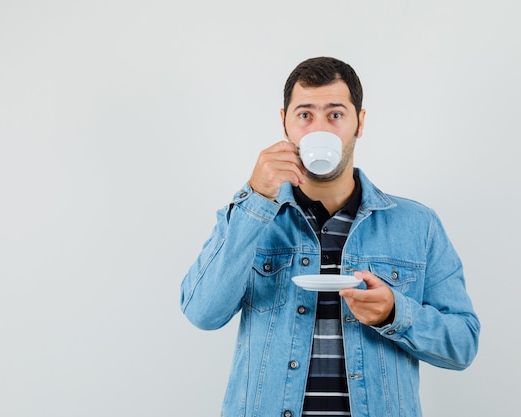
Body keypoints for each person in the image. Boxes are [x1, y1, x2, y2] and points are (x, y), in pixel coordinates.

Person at [180, 56, 480, 417]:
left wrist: (395, 313)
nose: (318, 128)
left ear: (360, 123)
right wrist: (256, 197)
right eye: (305, 115)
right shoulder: (251, 217)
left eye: (335, 115)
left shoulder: (418, 225)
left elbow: (462, 344)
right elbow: (202, 312)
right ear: (284, 123)